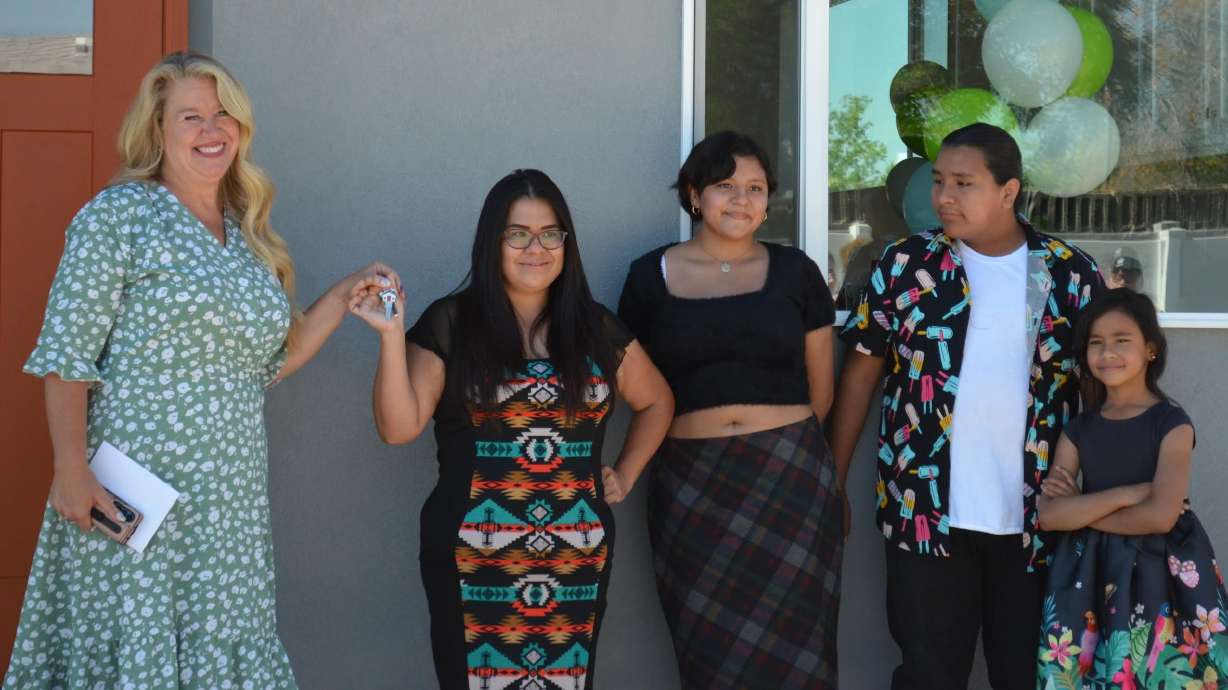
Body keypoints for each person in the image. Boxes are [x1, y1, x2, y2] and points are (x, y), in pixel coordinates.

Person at [3, 51, 397, 689]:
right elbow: (66, 355)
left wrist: (342, 295)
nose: (212, 130)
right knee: (136, 649)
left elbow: (263, 366)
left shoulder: (246, 237)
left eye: (224, 116)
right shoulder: (119, 216)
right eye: (191, 116)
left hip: (228, 507)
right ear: (158, 130)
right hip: (132, 494)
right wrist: (69, 470)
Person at [349, 169, 673, 690]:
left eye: (550, 234)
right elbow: (397, 427)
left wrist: (626, 472)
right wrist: (389, 337)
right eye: (517, 234)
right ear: (492, 243)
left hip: (576, 559)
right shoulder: (450, 324)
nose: (535, 248)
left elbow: (657, 400)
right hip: (473, 557)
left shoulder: (595, 329)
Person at [828, 122, 1104, 690]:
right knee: (928, 674)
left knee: (1029, 674)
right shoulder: (906, 266)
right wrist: (829, 480)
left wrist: (1107, 493)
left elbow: (1098, 394)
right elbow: (861, 374)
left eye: (963, 183)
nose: (943, 197)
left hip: (1039, 520)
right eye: (938, 181)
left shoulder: (1068, 274)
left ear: (1009, 191)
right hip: (923, 511)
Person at [618, 131, 841, 689]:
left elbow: (822, 392)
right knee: (710, 648)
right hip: (691, 487)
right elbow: (636, 386)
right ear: (694, 195)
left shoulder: (797, 272)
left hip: (790, 482)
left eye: (756, 188)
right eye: (725, 185)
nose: (741, 199)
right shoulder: (649, 277)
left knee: (801, 650)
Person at [1036, 288, 1224, 687]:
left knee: (1161, 671)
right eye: (1096, 343)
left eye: (1122, 341)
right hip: (1089, 578)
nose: (1108, 353)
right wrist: (1127, 493)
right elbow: (1051, 515)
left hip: (1162, 575)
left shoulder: (1172, 423)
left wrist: (1083, 510)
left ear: (1151, 349)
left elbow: (1160, 515)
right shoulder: (1080, 429)